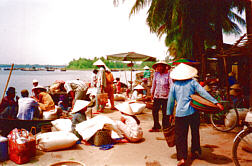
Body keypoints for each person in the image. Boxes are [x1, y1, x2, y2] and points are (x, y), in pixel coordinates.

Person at [166, 63, 224, 166]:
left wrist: (169, 113)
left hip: (180, 114)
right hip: (193, 112)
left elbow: (170, 101)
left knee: (180, 137)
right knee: (195, 132)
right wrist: (216, 102)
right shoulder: (192, 82)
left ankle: (182, 158)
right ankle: (194, 151)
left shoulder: (174, 85)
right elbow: (203, 92)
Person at [149, 61, 172, 132]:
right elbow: (154, 84)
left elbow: (171, 85)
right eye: (157, 66)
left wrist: (172, 96)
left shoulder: (168, 75)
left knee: (165, 112)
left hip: (165, 96)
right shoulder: (156, 74)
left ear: (164, 67)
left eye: (160, 66)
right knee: (154, 111)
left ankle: (165, 126)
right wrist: (152, 93)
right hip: (157, 95)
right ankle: (156, 125)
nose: (158, 68)